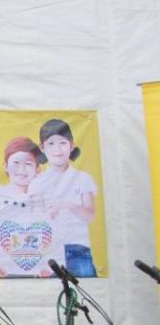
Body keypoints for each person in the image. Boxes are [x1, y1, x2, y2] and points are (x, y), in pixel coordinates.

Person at [0, 136, 58, 278]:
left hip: (35, 272)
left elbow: (54, 235)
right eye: (16, 163)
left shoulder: (45, 199)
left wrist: (47, 265)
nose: (22, 169)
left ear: (37, 169)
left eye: (28, 164)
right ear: (6, 166)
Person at [28, 118, 98, 277]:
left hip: (78, 249)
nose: (57, 149)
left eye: (62, 143)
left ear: (71, 146)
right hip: (49, 250)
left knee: (84, 290)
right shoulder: (36, 183)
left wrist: (68, 205)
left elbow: (90, 215)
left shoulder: (83, 178)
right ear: (42, 148)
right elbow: (35, 222)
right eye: (51, 144)